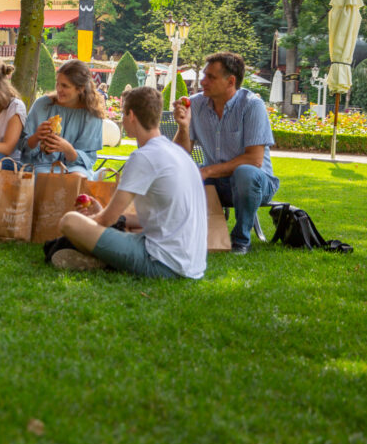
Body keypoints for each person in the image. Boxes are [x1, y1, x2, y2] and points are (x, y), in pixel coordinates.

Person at [55, 86, 207, 279]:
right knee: (121, 227)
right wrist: (110, 218)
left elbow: (106, 220)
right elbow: (160, 215)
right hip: (190, 264)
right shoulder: (175, 152)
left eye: (123, 114)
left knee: (70, 221)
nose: (123, 120)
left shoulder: (144, 157)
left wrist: (84, 228)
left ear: (132, 115)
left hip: (163, 264)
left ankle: (100, 259)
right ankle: (103, 257)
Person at [172, 51, 279, 255]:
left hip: (256, 184)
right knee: (180, 172)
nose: (202, 81)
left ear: (230, 81)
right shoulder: (195, 104)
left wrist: (206, 172)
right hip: (218, 183)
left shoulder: (252, 106)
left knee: (245, 173)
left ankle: (240, 240)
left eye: (210, 77)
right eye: (204, 75)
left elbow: (254, 160)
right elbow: (179, 154)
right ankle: (186, 234)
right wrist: (183, 127)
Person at [20, 60, 105, 177]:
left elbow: (88, 159)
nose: (59, 89)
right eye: (57, 83)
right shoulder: (42, 105)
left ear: (80, 88)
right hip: (42, 164)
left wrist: (68, 149)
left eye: (65, 86)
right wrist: (36, 137)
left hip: (75, 166)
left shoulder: (91, 114)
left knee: (76, 178)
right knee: (44, 177)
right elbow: (23, 151)